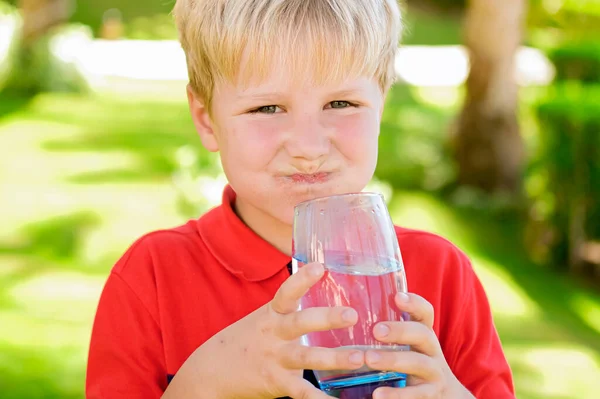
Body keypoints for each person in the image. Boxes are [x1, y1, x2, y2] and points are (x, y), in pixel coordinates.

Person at [86, 1, 516, 398]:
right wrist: (203, 381)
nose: (308, 146)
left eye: (342, 102)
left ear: (381, 105)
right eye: (268, 108)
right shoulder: (151, 279)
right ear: (206, 119)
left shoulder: (442, 276)